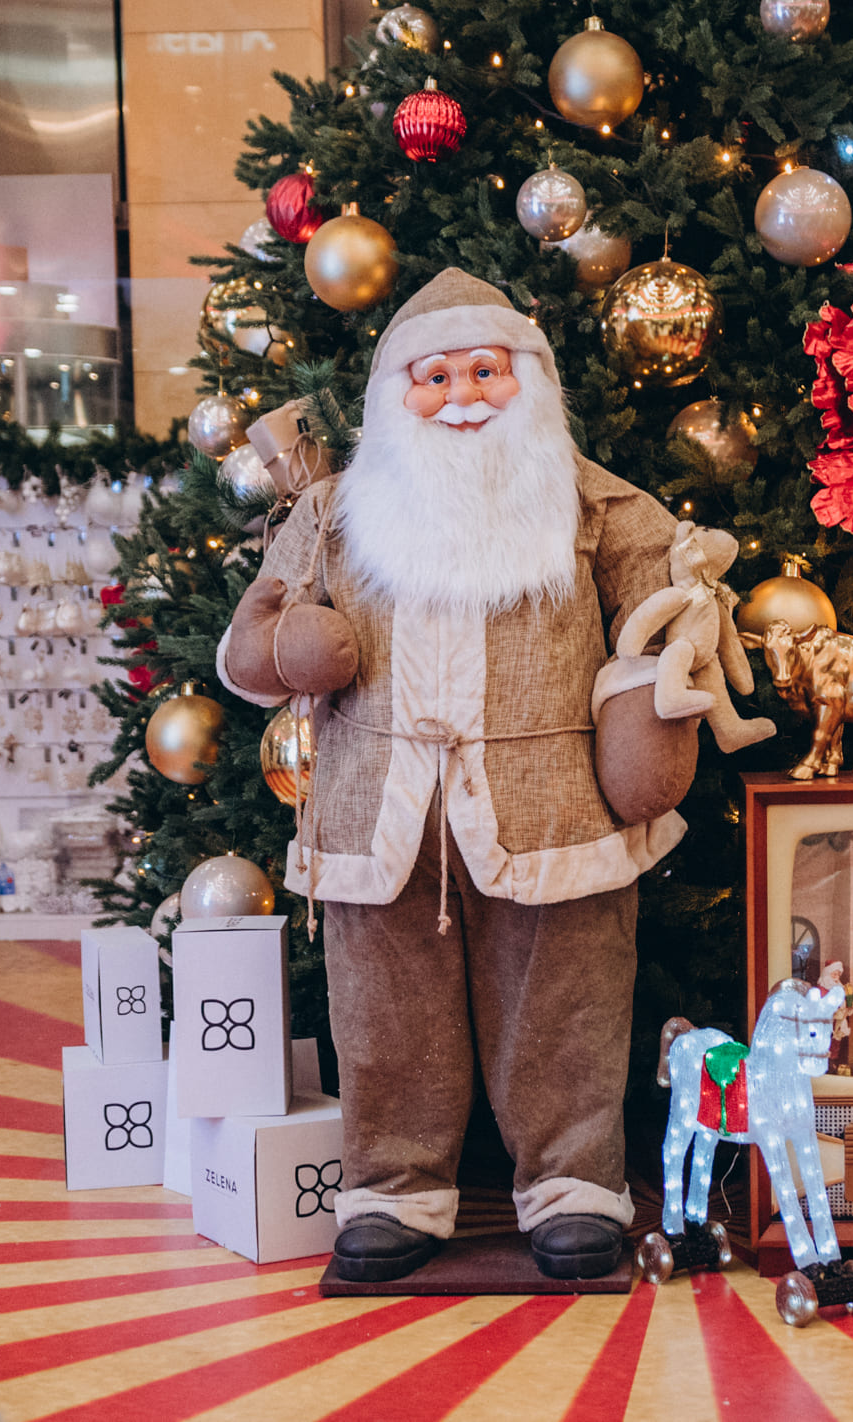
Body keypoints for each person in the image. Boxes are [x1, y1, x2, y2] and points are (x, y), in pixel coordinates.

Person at [216, 269, 707, 1283]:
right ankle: (393, 1190)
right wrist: (284, 642)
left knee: (566, 994)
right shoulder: (334, 512)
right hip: (375, 805)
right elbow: (246, 650)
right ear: (394, 398)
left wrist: (666, 664)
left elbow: (669, 598)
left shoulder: (591, 503)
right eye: (433, 377)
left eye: (485, 370)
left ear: (528, 381)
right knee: (382, 1008)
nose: (464, 395)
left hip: (551, 804)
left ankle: (573, 1185)